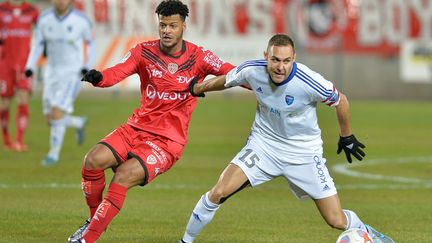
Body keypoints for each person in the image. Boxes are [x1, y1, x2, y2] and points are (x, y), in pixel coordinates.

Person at [179, 34, 394, 243]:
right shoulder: (252, 70)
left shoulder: (308, 81)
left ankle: (367, 233)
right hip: (264, 146)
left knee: (335, 219)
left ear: (294, 59)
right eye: (275, 60)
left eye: (286, 61)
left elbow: (341, 100)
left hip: (304, 154)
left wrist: (346, 136)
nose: (280, 67)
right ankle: (185, 241)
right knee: (217, 193)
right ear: (266, 57)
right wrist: (197, 88)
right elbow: (228, 80)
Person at [67, 1, 235, 242]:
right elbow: (117, 72)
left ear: (183, 26)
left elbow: (233, 73)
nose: (166, 30)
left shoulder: (199, 57)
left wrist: (262, 80)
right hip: (135, 128)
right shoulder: (143, 51)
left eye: (172, 26)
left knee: (123, 175)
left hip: (167, 141)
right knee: (92, 160)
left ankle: (87, 239)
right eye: (163, 25)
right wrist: (99, 78)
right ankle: (95, 222)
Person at [25, 0, 94, 166]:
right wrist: (30, 65)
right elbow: (38, 44)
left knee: (57, 112)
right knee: (50, 118)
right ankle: (78, 122)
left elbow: (91, 43)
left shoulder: (81, 20)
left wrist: (87, 66)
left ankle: (53, 155)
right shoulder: (44, 19)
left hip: (72, 73)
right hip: (51, 73)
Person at [0, 0, 38, 151]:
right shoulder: (2, 9)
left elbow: (43, 30)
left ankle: (20, 140)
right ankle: (6, 138)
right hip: (5, 64)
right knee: (4, 104)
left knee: (23, 99)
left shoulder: (31, 11)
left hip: (24, 64)